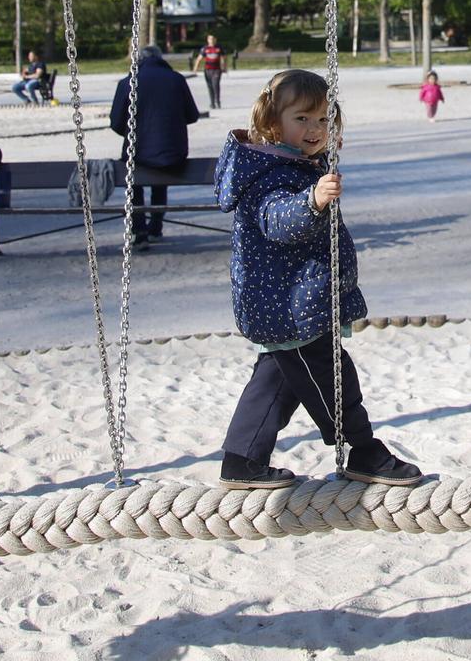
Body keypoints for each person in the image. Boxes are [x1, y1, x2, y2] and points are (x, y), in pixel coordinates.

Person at [215, 70, 423, 490]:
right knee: (334, 378)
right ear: (273, 123)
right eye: (303, 119)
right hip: (290, 302)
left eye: (325, 121)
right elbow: (276, 219)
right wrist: (310, 202)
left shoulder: (295, 162)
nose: (315, 130)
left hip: (291, 301)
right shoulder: (268, 171)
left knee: (276, 381)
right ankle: (364, 450)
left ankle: (241, 460)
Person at [109, 44, 201, 243]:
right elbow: (192, 115)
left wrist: (132, 132)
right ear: (160, 59)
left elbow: (116, 122)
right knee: (161, 176)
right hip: (172, 152)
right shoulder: (176, 79)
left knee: (134, 181)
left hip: (138, 151)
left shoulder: (128, 82)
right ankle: (156, 226)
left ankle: (140, 229)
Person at [197, 33, 227, 109]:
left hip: (217, 70)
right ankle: (212, 103)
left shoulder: (219, 48)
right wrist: (196, 68)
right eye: (210, 39)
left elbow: (223, 58)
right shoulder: (205, 48)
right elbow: (199, 58)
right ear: (207, 40)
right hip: (207, 70)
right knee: (210, 86)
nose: (212, 40)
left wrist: (224, 67)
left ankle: (218, 102)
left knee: (216, 85)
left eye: (213, 39)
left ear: (215, 40)